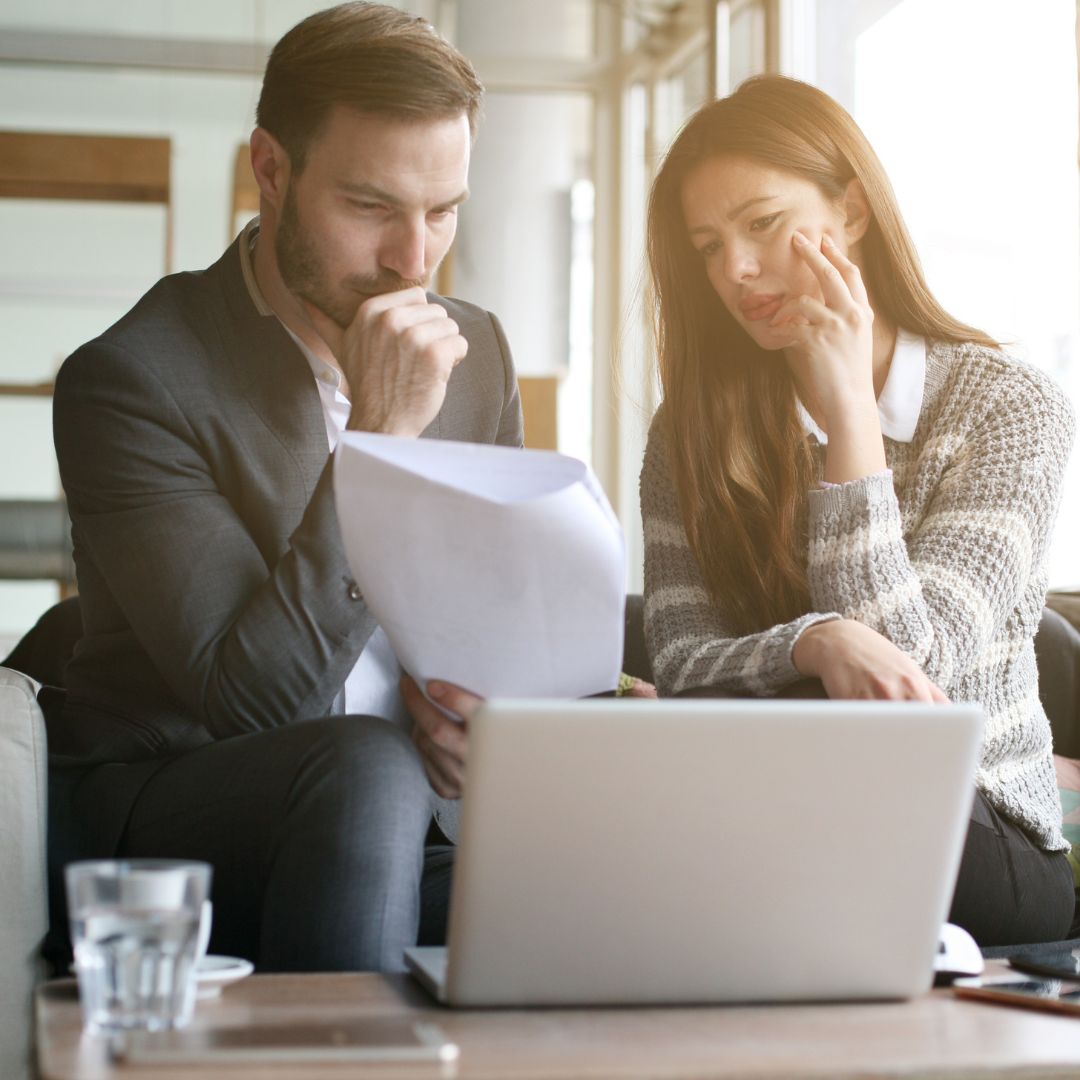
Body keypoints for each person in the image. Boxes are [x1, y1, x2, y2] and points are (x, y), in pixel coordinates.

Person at [45, 2, 516, 973]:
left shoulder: (476, 351)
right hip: (186, 807)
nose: (412, 260)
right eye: (372, 207)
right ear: (271, 168)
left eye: (443, 211)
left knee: (606, 865)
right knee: (365, 770)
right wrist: (378, 442)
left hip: (412, 813)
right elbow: (249, 703)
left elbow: (496, 607)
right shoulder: (133, 380)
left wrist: (496, 722)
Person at [640, 74, 1076, 945]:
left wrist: (848, 416)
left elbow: (914, 677)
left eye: (761, 224)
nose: (736, 270)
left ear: (852, 210)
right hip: (777, 802)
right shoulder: (689, 430)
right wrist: (814, 641)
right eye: (708, 246)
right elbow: (681, 660)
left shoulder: (1011, 406)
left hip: (976, 827)